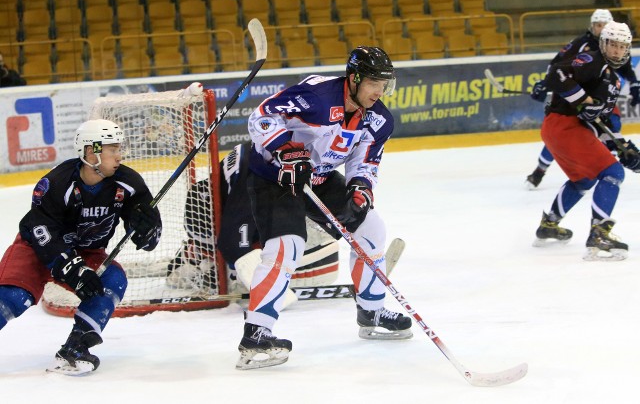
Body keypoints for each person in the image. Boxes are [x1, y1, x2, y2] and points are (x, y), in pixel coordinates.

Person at [235, 46, 412, 370]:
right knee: (288, 246)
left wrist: (360, 189)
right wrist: (287, 150)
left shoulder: (378, 119)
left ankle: (371, 310)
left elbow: (365, 163)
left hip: (318, 178)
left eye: (384, 84)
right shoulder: (316, 96)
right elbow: (260, 116)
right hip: (275, 179)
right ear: (355, 78)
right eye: (374, 82)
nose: (379, 91)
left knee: (370, 228)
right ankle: (257, 333)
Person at [0, 119, 162, 375]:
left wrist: (147, 230)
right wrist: (73, 269)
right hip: (37, 249)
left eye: (119, 148)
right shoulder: (57, 183)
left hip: (88, 252)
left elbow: (149, 240)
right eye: (112, 149)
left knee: (111, 281)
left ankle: (76, 348)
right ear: (91, 151)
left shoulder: (128, 183)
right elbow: (42, 233)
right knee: (12, 298)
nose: (119, 155)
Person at [166, 141, 339, 293]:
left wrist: (237, 268)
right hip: (300, 243)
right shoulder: (254, 177)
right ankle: (208, 259)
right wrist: (239, 268)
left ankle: (211, 261)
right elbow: (235, 244)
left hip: (311, 253)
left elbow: (234, 244)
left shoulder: (258, 160)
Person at [533, 21, 640, 261]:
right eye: (612, 44)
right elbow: (557, 74)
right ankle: (599, 234)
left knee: (584, 179)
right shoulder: (593, 60)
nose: (617, 51)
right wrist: (583, 99)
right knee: (613, 174)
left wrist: (623, 149)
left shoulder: (613, 79)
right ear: (603, 43)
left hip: (560, 129)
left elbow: (601, 123)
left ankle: (549, 224)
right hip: (564, 125)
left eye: (622, 47)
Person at [525, 9, 640, 188]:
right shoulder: (580, 44)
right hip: (573, 96)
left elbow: (625, 68)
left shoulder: (614, 42)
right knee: (564, 131)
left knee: (612, 124)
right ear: (591, 26)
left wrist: (634, 83)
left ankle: (604, 161)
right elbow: (557, 65)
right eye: (598, 25)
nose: (601, 29)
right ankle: (540, 169)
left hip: (600, 95)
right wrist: (545, 83)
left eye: (604, 25)